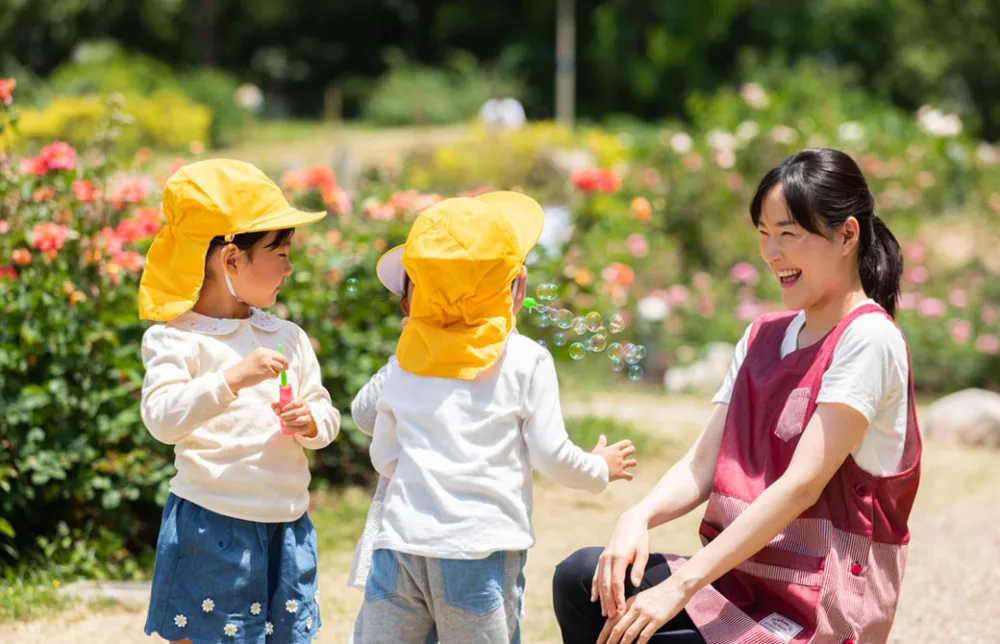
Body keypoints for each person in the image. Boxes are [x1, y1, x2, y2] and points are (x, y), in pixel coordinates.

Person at [552, 148, 922, 644]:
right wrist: (635, 516)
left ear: (846, 235)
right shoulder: (761, 337)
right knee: (582, 580)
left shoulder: (868, 339)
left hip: (818, 607)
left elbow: (801, 486)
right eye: (764, 234)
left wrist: (680, 586)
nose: (772, 254)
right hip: (737, 586)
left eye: (788, 234)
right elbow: (703, 463)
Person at [352, 191, 638, 644]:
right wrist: (598, 469)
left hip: (399, 548)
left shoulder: (408, 361)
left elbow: (370, 426)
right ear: (517, 286)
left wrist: (405, 351)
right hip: (478, 552)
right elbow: (550, 454)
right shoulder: (525, 359)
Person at [138, 159, 341, 644]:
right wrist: (230, 379)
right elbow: (162, 421)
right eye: (281, 252)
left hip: (286, 522)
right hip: (212, 523)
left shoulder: (287, 335)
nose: (289, 267)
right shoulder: (177, 340)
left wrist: (312, 422)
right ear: (231, 260)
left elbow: (326, 410)